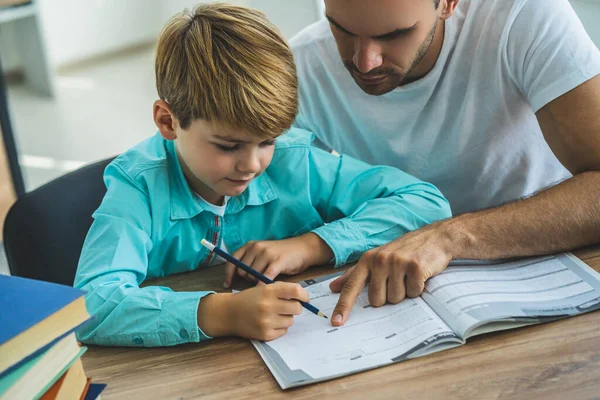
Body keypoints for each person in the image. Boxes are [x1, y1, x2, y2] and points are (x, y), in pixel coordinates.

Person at [73, 3, 451, 347]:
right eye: (228, 146)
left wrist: (310, 246)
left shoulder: (294, 157)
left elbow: (426, 204)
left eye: (266, 141)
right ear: (168, 121)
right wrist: (220, 313)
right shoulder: (139, 188)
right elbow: (89, 307)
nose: (252, 164)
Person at [289, 0, 600, 326]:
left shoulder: (523, 15)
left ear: (449, 4)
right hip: (398, 293)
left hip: (556, 269)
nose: (365, 62)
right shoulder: (300, 65)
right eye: (342, 30)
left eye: (395, 34)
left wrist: (450, 237)